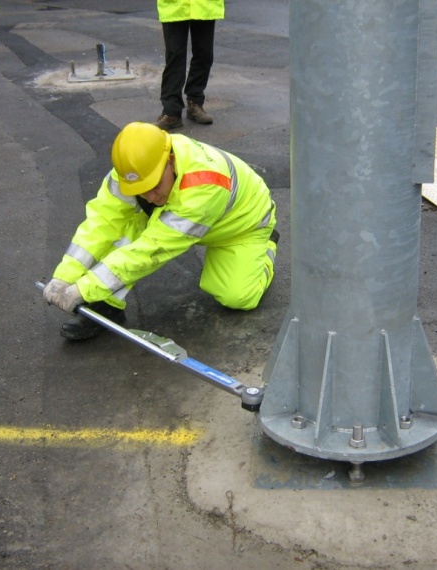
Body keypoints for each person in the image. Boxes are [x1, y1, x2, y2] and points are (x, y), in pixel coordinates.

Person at [44, 122, 278, 341]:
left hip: (240, 228)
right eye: (141, 190)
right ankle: (105, 306)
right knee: (125, 224)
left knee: (237, 297)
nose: (150, 196)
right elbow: (102, 222)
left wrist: (84, 288)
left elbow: (152, 249)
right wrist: (64, 276)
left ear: (171, 161)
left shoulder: (205, 183)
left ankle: (267, 247)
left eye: (155, 186)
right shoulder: (134, 167)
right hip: (191, 217)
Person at [154, 0, 224, 131]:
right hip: (174, 6)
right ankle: (171, 112)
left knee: (204, 54)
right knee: (174, 57)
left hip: (204, 5)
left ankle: (195, 103)